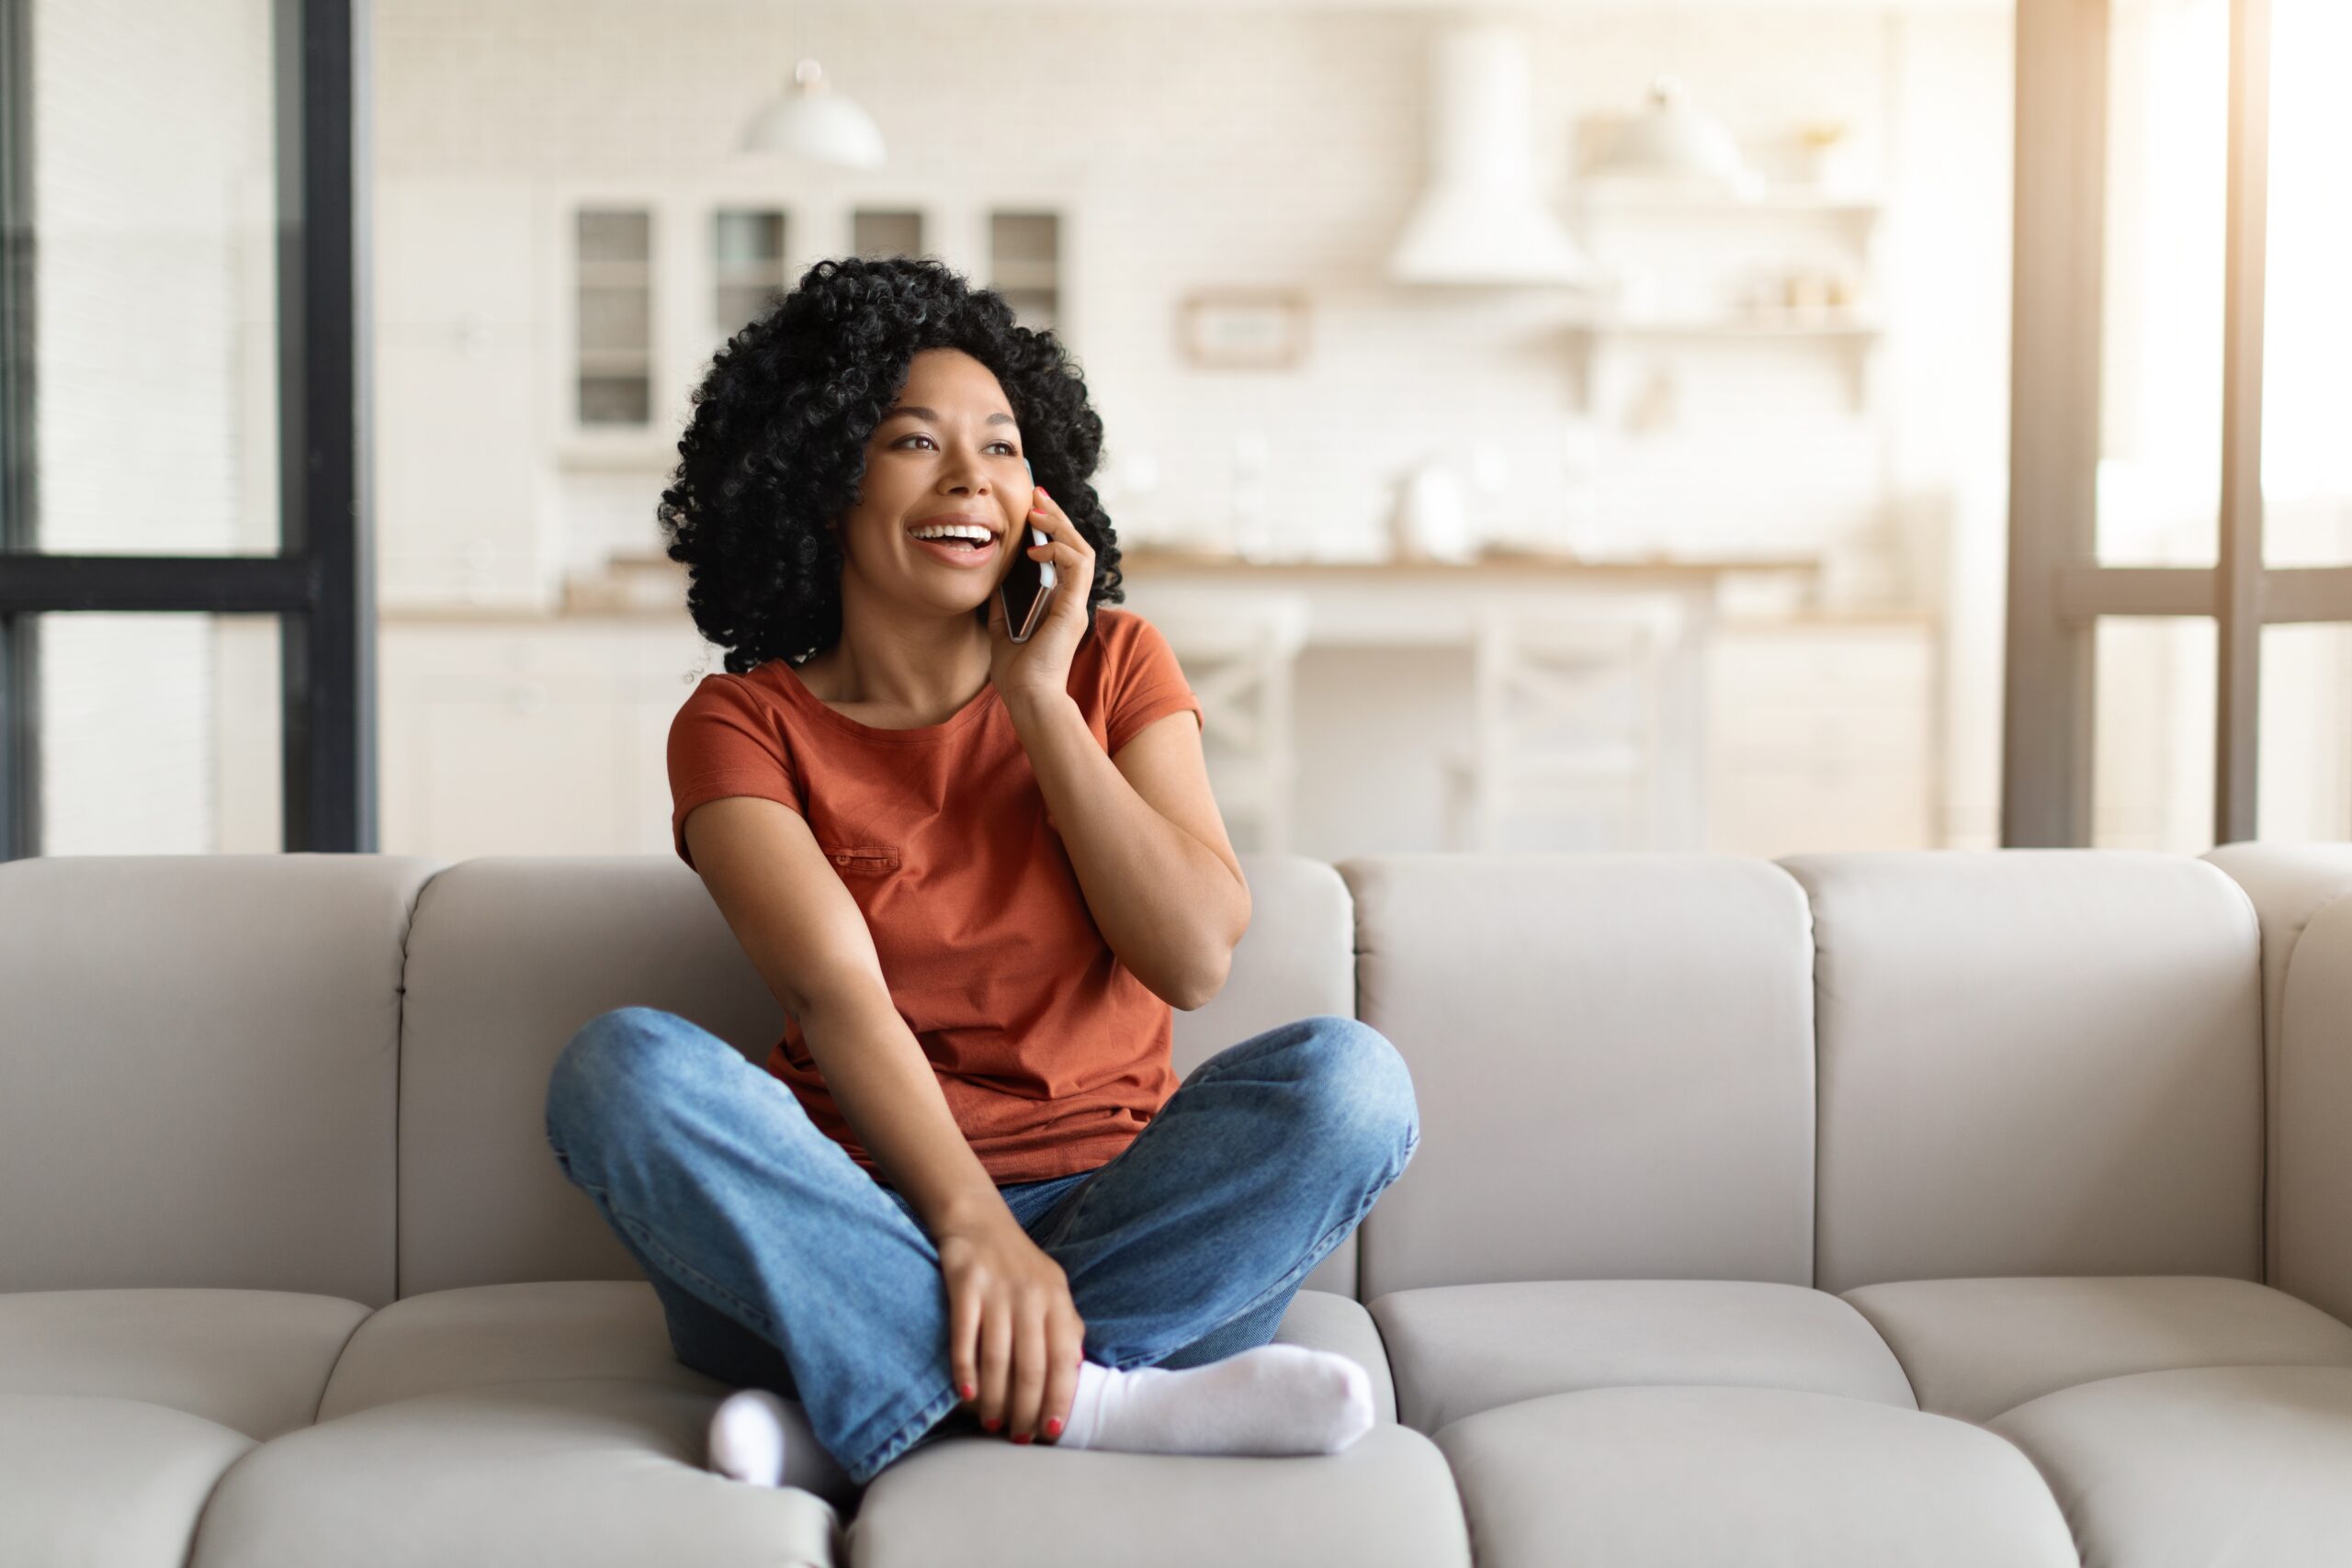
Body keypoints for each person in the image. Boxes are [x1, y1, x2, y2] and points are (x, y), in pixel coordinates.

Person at [541, 255, 1420, 1491]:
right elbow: (834, 994)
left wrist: (1040, 703)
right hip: (847, 1225)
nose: (973, 480)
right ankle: (1102, 1403)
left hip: (1121, 1217)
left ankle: (859, 1410)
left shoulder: (1111, 662)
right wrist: (965, 1231)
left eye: (1004, 448)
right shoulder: (741, 723)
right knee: (619, 1070)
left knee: (1353, 1085)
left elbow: (1192, 955)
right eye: (914, 442)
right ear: (819, 476)